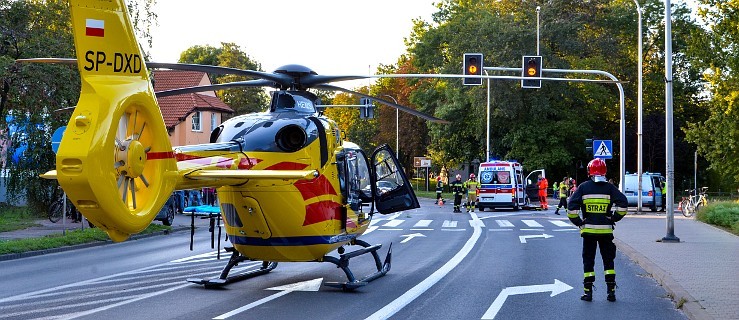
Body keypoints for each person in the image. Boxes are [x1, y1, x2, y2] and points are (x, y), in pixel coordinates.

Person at [567, 158, 628, 302]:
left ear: (589, 171)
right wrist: (613, 218)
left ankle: (588, 293)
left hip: (588, 232)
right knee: (608, 262)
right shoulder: (610, 188)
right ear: (604, 171)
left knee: (588, 261)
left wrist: (579, 222)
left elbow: (571, 209)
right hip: (606, 232)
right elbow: (623, 205)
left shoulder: (583, 188)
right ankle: (611, 292)